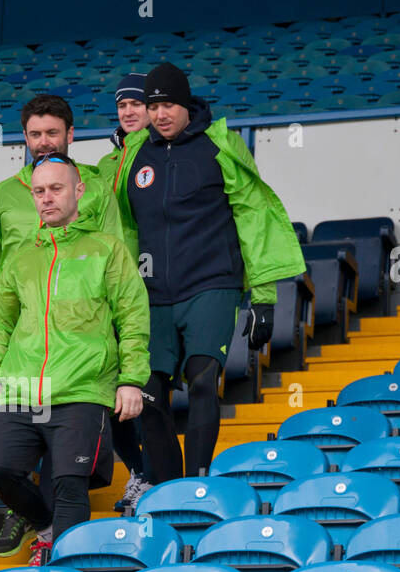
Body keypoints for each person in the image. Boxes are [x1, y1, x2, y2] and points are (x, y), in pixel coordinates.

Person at [115, 62, 305, 483]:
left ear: (186, 104)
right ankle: (166, 491)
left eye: (168, 105)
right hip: (151, 295)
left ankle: (197, 481)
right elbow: (122, 229)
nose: (160, 115)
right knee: (149, 394)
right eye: (153, 106)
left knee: (203, 379)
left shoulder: (220, 146)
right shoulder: (132, 156)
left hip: (211, 284)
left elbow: (255, 220)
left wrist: (264, 297)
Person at [0, 93, 124, 557]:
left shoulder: (93, 188)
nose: (43, 142)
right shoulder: (5, 194)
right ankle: (26, 504)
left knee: (64, 420)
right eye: (34, 134)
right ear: (24, 139)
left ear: (71, 134)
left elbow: (116, 258)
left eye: (53, 133)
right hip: (17, 319)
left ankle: (53, 519)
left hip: (76, 326)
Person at [0, 154, 150, 567]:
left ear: (79, 191)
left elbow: (132, 315)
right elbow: (2, 323)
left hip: (82, 387)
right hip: (21, 387)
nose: (46, 198)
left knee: (69, 484)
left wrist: (131, 379)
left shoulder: (106, 250)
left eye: (56, 189)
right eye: (39, 192)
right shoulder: (20, 258)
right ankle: (47, 529)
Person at [97, 72, 152, 512]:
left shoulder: (164, 153)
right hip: (111, 287)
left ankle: (157, 473)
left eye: (137, 103)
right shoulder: (103, 166)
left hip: (157, 282)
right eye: (123, 105)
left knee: (146, 384)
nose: (129, 111)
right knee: (113, 392)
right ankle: (138, 472)